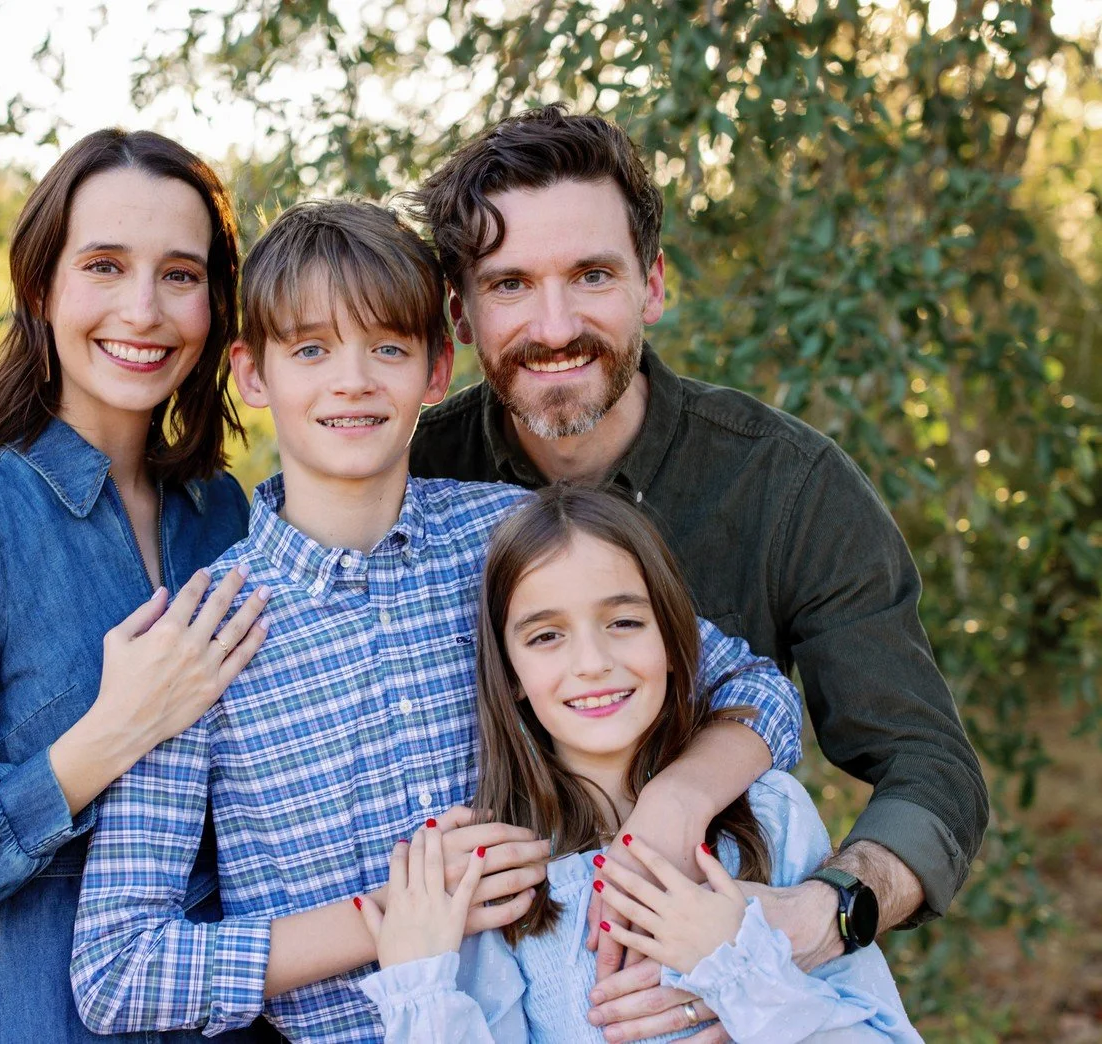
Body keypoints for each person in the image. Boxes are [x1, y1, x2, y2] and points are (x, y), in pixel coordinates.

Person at [71, 199, 805, 1043]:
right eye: (310, 349)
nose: (351, 380)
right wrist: (387, 916)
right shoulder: (205, 635)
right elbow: (118, 973)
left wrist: (674, 805)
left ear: (433, 371)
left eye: (386, 347)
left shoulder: (511, 539)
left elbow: (755, 691)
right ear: (252, 374)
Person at [405, 106, 987, 1039]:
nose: (554, 326)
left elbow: (927, 768)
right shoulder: (404, 481)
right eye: (510, 284)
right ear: (461, 314)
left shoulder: (786, 487)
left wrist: (804, 927)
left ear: (653, 284)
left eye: (591, 275)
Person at [0, 129, 278, 1043]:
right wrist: (107, 738)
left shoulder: (223, 516)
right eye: (105, 265)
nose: (144, 310)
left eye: (180, 275)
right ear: (41, 288)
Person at [356, 484, 924, 1043]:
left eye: (624, 622)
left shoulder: (769, 816)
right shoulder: (504, 875)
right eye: (547, 635)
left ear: (674, 643)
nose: (592, 663)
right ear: (510, 676)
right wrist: (420, 989)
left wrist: (740, 970)